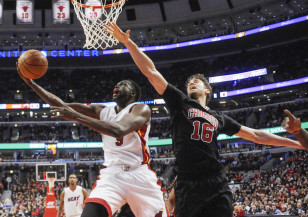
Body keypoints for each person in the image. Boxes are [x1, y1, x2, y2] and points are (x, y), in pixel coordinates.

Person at [104, 22, 306, 217]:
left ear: (207, 91)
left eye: (197, 82)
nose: (191, 82)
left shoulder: (218, 117)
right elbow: (150, 71)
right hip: (187, 183)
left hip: (215, 182)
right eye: (189, 82)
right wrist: (128, 43)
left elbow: (255, 135)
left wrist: (297, 143)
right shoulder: (180, 103)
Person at [17, 69, 168, 217]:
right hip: (112, 175)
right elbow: (62, 105)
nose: (116, 86)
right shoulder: (102, 110)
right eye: (116, 84)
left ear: (132, 93)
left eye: (122, 84)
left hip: (139, 175)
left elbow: (119, 129)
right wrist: (31, 83)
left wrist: (76, 116)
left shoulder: (140, 109)